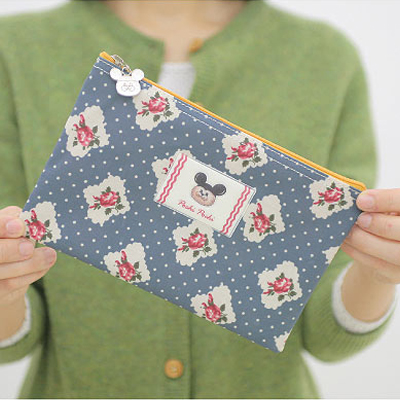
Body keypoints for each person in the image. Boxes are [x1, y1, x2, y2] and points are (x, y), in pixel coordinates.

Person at [0, 0, 398, 398]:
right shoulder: (17, 49)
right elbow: (16, 338)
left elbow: (324, 336)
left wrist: (379, 271)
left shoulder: (326, 59)